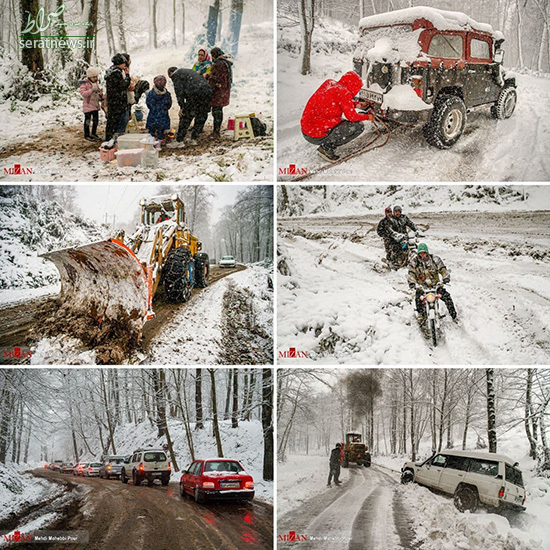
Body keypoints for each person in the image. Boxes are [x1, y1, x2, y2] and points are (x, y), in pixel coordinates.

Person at [301, 71, 374, 162]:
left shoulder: (330, 83)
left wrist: (358, 105)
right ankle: (326, 148)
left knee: (341, 121)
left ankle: (326, 144)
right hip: (316, 135)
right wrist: (368, 117)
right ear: (354, 86)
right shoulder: (344, 93)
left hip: (307, 130)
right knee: (358, 126)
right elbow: (352, 117)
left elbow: (339, 101)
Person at [408, 243, 457, 321]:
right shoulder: (414, 262)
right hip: (422, 287)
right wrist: (411, 283)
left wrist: (446, 277)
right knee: (418, 298)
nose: (422, 255)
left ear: (427, 252)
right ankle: (421, 314)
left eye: (424, 253)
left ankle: (454, 316)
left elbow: (442, 269)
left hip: (435, 286)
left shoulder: (435, 259)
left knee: (447, 297)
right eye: (420, 253)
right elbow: (411, 273)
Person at [168, 67, 213, 144]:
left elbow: (179, 92)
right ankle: (194, 138)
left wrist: (182, 107)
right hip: (207, 92)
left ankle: (179, 141)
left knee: (186, 116)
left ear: (170, 74)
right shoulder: (187, 71)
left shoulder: (175, 75)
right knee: (201, 115)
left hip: (195, 94)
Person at [205, 47, 233, 137]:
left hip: (218, 91)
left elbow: (218, 78)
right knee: (218, 111)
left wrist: (207, 76)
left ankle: (216, 132)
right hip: (224, 90)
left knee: (216, 112)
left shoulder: (219, 64)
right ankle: (216, 130)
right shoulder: (225, 62)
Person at [104, 53, 131, 141]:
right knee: (117, 122)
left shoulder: (110, 71)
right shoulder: (117, 73)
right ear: (120, 63)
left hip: (112, 101)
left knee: (111, 122)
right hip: (118, 101)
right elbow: (123, 86)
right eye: (124, 63)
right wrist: (127, 76)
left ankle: (109, 139)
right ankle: (114, 140)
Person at [79, 67, 103, 142]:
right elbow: (83, 94)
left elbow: (97, 92)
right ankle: (87, 135)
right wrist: (91, 90)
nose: (95, 78)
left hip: (95, 105)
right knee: (87, 121)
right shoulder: (84, 83)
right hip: (88, 105)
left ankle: (93, 133)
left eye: (96, 77)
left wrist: (100, 95)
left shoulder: (95, 83)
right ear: (89, 77)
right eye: (94, 77)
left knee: (96, 121)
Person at [146, 75, 172, 141]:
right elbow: (169, 104)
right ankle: (159, 143)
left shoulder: (150, 94)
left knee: (151, 132)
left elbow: (148, 104)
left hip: (153, 115)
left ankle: (151, 143)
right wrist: (163, 109)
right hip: (163, 115)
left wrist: (154, 109)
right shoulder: (167, 94)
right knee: (161, 132)